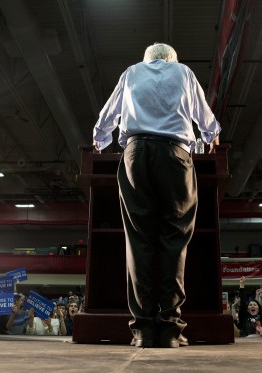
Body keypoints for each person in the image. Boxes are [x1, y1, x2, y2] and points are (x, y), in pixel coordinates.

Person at [92, 42, 221, 348]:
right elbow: (204, 117)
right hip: (175, 155)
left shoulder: (131, 72)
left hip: (135, 153)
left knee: (139, 241)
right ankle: (170, 330)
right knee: (174, 240)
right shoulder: (184, 72)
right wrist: (211, 135)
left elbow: (108, 114)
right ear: (171, 60)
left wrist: (100, 138)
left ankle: (143, 332)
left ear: (147, 60)